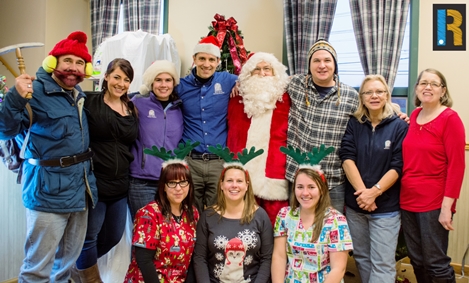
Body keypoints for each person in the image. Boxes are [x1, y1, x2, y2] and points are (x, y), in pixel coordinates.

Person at [0, 31, 98, 282]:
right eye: (67, 61)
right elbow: (5, 130)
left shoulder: (77, 94)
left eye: (79, 63)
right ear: (53, 62)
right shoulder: (34, 92)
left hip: (80, 191)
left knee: (64, 267)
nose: (73, 68)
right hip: (46, 193)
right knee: (37, 270)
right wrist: (15, 98)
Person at [339, 75, 408, 282]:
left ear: (387, 95)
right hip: (356, 206)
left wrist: (375, 192)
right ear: (362, 97)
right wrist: (363, 194)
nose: (374, 96)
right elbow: (347, 156)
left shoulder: (399, 126)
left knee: (383, 264)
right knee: (362, 258)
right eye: (368, 92)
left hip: (385, 209)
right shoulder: (354, 123)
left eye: (379, 91)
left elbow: (398, 165)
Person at [74, 58, 138, 281]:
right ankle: (90, 278)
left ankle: (75, 266)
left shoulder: (131, 107)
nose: (121, 83)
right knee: (89, 237)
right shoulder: (90, 101)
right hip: (95, 181)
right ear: (107, 77)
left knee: (112, 236)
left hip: (120, 183)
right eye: (117, 77)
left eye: (126, 79)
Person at [400, 69, 465, 283]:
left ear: (443, 90)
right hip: (408, 199)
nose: (428, 87)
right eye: (423, 83)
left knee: (436, 263)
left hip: (434, 202)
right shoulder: (415, 114)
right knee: (417, 261)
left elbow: (457, 166)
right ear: (417, 88)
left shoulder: (450, 119)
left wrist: (447, 207)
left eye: (434, 84)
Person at [285, 39, 360, 214]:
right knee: (297, 231)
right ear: (309, 65)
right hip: (298, 178)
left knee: (332, 234)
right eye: (316, 61)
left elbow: (373, 111)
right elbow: (265, 81)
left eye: (327, 60)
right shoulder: (295, 84)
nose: (322, 65)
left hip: (332, 180)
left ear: (335, 64)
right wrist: (238, 83)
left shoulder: (350, 95)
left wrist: (396, 111)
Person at [227, 52, 290, 226]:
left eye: (267, 69)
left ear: (275, 72)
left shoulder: (287, 97)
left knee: (275, 224)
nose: (262, 73)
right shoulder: (236, 97)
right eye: (257, 69)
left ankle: (275, 254)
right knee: (241, 222)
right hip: (242, 169)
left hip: (275, 171)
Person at [193, 147, 273, 282]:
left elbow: (267, 258)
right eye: (229, 180)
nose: (234, 185)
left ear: (247, 186)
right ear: (222, 185)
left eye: (239, 181)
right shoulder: (208, 216)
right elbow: (199, 258)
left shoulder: (260, 216)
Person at [177, 35, 238, 212]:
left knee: (217, 213)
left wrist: (241, 85)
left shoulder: (228, 81)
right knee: (190, 212)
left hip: (218, 163)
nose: (206, 64)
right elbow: (156, 90)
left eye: (211, 59)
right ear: (194, 59)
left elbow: (255, 81)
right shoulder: (180, 85)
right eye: (202, 58)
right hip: (191, 162)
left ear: (218, 61)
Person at [271, 166, 353, 283]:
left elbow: (338, 269)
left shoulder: (336, 221)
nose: (305, 193)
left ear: (322, 189)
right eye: (300, 187)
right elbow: (279, 257)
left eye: (311, 187)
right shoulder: (285, 215)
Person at [124, 161, 199, 283]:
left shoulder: (193, 213)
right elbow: (144, 260)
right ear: (163, 186)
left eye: (183, 182)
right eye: (172, 183)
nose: (178, 188)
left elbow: (194, 257)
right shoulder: (148, 214)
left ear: (189, 185)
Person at [128, 60, 182, 220]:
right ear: (151, 82)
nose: (163, 85)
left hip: (171, 181)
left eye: (168, 80)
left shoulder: (179, 108)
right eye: (158, 80)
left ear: (174, 83)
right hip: (141, 182)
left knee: (168, 232)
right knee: (144, 232)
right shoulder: (137, 103)